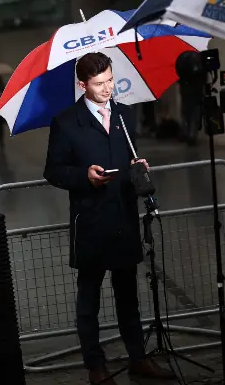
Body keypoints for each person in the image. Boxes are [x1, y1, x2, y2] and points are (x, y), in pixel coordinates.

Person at [43, 52, 175, 384]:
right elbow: (53, 171)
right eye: (99, 83)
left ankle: (137, 358)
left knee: (128, 294)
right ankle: (95, 365)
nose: (107, 88)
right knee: (89, 297)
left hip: (123, 217)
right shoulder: (66, 122)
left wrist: (138, 170)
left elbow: (128, 159)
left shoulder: (124, 115)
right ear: (82, 84)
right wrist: (83, 176)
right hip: (89, 221)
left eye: (111, 80)